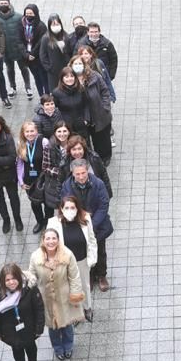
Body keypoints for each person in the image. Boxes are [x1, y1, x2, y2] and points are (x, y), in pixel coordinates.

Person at [27, 229, 85, 360]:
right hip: (46, 298)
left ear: (58, 240)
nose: (51, 241)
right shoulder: (36, 257)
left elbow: (74, 276)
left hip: (64, 296)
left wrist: (75, 294)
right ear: (43, 240)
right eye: (48, 238)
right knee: (53, 327)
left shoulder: (67, 255)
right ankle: (57, 348)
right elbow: (32, 275)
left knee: (67, 325)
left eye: (54, 238)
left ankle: (68, 346)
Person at [0, 262, 45, 361]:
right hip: (10, 330)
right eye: (7, 280)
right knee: (17, 350)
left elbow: (39, 308)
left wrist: (39, 327)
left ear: (19, 278)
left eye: (14, 278)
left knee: (31, 348)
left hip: (29, 327)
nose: (11, 282)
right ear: (3, 281)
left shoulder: (30, 288)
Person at [61, 160, 113, 292]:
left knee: (100, 251)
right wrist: (82, 221)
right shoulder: (67, 186)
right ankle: (89, 275)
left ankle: (101, 275)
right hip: (78, 226)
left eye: (83, 173)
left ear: (87, 170)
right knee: (83, 253)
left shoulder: (98, 184)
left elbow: (103, 205)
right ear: (73, 174)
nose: (81, 176)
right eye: (77, 174)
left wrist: (92, 224)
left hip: (97, 226)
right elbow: (67, 207)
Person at [45, 196, 98, 322]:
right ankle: (75, 312)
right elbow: (49, 243)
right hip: (64, 263)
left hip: (82, 260)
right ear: (61, 209)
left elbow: (91, 240)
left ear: (77, 208)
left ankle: (87, 308)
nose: (70, 210)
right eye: (67, 208)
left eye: (72, 207)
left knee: (84, 285)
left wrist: (92, 259)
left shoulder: (85, 219)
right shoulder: (53, 223)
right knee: (68, 287)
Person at [70, 54, 113, 163]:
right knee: (84, 141)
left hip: (98, 114)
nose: (78, 66)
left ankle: (104, 158)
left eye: (80, 63)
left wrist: (105, 107)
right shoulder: (69, 79)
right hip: (82, 118)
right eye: (75, 64)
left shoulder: (94, 76)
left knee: (102, 140)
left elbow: (105, 91)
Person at [16, 120, 54, 233]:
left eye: (32, 131)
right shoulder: (20, 144)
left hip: (44, 178)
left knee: (48, 203)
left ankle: (49, 223)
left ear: (36, 131)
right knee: (34, 203)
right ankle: (40, 222)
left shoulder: (44, 142)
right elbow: (19, 163)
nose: (30, 134)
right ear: (23, 133)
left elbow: (50, 160)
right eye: (27, 131)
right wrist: (20, 181)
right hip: (29, 180)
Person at [0, 0, 31, 100]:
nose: (3, 5)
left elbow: (25, 32)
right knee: (10, 69)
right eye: (1, 3)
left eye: (5, 3)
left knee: (24, 68)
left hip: (19, 49)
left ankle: (28, 87)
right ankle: (12, 87)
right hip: (6, 50)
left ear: (9, 3)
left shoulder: (19, 17)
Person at [62, 134, 113, 200]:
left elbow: (103, 175)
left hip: (95, 195)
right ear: (70, 150)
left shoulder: (94, 158)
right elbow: (61, 183)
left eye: (79, 149)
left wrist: (107, 194)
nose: (77, 152)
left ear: (84, 149)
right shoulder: (65, 163)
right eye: (74, 149)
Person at [20, 4, 49, 96]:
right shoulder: (21, 25)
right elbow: (19, 41)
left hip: (38, 56)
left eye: (31, 13)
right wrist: (26, 54)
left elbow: (41, 42)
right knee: (36, 78)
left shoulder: (41, 26)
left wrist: (32, 53)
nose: (28, 15)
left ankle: (47, 95)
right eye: (27, 13)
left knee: (44, 77)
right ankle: (41, 96)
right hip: (28, 58)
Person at [81, 22, 118, 88]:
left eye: (96, 32)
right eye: (91, 32)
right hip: (87, 77)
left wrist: (110, 76)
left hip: (103, 77)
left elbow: (114, 59)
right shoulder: (81, 44)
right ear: (87, 32)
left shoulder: (107, 44)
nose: (94, 34)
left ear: (99, 32)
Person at [39, 14, 72, 84]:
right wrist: (49, 68)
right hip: (53, 72)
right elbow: (42, 55)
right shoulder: (46, 38)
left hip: (66, 69)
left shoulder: (66, 36)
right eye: (53, 25)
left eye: (57, 24)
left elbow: (70, 51)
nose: (56, 26)